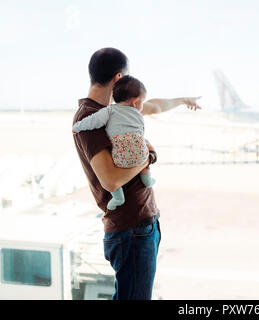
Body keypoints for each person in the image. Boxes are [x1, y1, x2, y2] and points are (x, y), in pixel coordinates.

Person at [72, 47, 201, 300]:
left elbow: (154, 106)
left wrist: (183, 99)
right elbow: (110, 180)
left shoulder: (119, 109)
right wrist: (147, 156)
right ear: (119, 79)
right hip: (130, 228)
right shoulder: (91, 117)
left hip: (140, 225)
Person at [73, 75, 156, 211]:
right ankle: (147, 180)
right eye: (143, 101)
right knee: (142, 151)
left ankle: (118, 197)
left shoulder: (109, 111)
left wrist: (77, 127)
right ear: (135, 102)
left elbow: (93, 121)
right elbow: (141, 132)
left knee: (116, 170)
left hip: (120, 158)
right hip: (142, 155)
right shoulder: (138, 114)